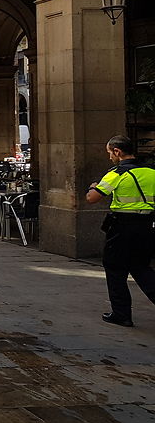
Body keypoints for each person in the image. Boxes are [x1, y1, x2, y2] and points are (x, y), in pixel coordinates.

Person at [86, 135, 155, 327]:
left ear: (118, 151)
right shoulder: (151, 172)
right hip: (146, 226)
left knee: (115, 268)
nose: (110, 157)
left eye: (110, 153)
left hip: (122, 227)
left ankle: (121, 313)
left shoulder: (116, 173)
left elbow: (92, 198)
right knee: (141, 267)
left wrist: (92, 186)